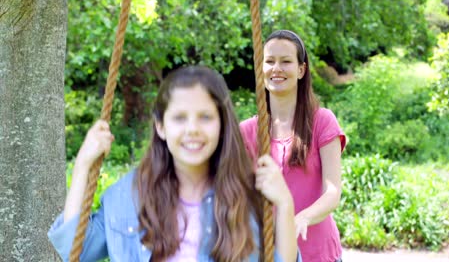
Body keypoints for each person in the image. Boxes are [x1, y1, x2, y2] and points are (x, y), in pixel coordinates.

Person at [48, 66, 299, 261]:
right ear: (161, 126)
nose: (192, 130)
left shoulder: (243, 194)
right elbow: (75, 251)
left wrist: (285, 204)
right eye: (179, 118)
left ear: (222, 126)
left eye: (205, 117)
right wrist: (82, 166)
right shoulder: (128, 195)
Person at [240, 30, 346, 262]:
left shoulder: (322, 121)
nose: (276, 68)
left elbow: (333, 192)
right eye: (269, 61)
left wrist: (303, 218)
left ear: (301, 70)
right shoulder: (246, 131)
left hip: (317, 253)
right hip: (269, 254)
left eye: (286, 61)